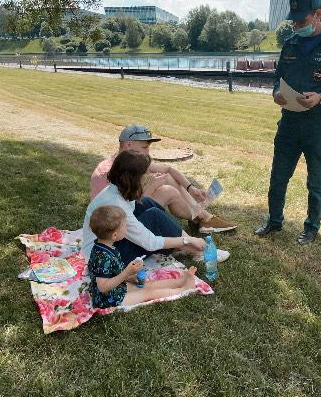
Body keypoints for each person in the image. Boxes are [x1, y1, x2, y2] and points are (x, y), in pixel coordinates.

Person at [255, 0, 321, 245]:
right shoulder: (290, 43)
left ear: (318, 14)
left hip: (318, 124)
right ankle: (274, 221)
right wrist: (277, 92)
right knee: (278, 175)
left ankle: (311, 228)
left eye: (302, 20)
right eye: (294, 20)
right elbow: (278, 78)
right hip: (289, 121)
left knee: (315, 179)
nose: (297, 25)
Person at [82, 150, 230, 266]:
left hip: (106, 243)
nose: (148, 177)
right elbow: (150, 242)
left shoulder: (116, 190)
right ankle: (196, 248)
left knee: (147, 203)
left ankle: (192, 247)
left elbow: (136, 205)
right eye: (145, 175)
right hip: (106, 257)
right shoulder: (117, 204)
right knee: (154, 216)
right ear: (134, 179)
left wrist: (153, 186)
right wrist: (185, 241)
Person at [90, 124, 237, 234]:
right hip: (112, 223)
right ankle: (200, 219)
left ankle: (200, 217)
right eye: (145, 147)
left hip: (123, 211)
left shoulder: (129, 161)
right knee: (164, 190)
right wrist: (152, 187)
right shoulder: (111, 170)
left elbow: (168, 169)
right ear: (129, 145)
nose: (148, 152)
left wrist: (190, 188)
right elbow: (121, 210)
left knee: (166, 181)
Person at [87, 204, 198, 308]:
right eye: (125, 226)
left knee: (148, 285)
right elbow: (102, 287)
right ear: (115, 235)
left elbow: (112, 272)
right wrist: (127, 273)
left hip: (116, 288)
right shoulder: (102, 257)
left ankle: (179, 282)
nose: (126, 229)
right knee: (148, 293)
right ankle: (184, 289)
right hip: (108, 299)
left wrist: (129, 277)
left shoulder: (107, 247)